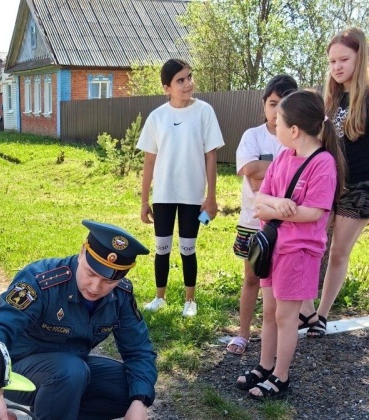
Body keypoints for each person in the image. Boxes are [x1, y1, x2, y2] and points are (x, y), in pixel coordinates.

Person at [0, 220, 157, 420]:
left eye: (107, 280)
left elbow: (140, 350)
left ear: (124, 275)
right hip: (18, 372)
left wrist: (140, 401)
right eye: (91, 273)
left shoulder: (120, 296)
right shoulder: (40, 280)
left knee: (128, 387)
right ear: (82, 253)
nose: (95, 287)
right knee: (69, 370)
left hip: (69, 373)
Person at [236, 90, 343, 400]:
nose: (275, 125)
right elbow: (261, 199)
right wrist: (277, 205)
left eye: (279, 122)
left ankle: (280, 377)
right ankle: (264, 366)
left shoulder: (323, 163)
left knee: (286, 316)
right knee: (270, 311)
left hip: (299, 253)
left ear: (294, 130)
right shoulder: (283, 156)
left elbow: (315, 211)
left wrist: (282, 208)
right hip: (274, 248)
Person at [137, 58, 224, 317]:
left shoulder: (204, 112)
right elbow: (149, 160)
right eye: (180, 81)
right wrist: (144, 201)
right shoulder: (157, 117)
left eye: (189, 77)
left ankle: (190, 301)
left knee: (188, 248)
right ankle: (159, 297)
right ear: (167, 88)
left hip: (193, 197)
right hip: (163, 195)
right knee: (161, 248)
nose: (188, 84)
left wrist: (211, 197)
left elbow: (211, 156)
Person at [299, 27, 369, 337]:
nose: (337, 67)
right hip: (328, 184)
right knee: (307, 243)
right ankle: (305, 308)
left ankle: (322, 315)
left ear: (360, 57)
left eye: (344, 59)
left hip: (359, 189)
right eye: (332, 61)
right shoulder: (331, 98)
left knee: (339, 252)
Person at [226, 75, 298, 355]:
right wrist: (283, 174)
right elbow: (250, 174)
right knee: (251, 279)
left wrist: (265, 169)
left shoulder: (298, 138)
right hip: (253, 223)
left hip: (287, 224)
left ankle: (277, 337)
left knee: (280, 286)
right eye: (272, 103)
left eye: (284, 105)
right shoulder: (252, 136)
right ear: (264, 105)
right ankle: (243, 333)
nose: (276, 110)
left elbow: (261, 177)